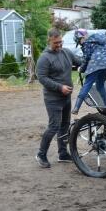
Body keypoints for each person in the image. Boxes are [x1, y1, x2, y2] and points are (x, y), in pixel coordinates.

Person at [35, 28, 82, 168]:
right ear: (49, 40)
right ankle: (41, 154)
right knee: (54, 126)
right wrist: (59, 87)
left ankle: (63, 153)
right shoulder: (44, 58)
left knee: (65, 125)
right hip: (53, 98)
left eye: (61, 41)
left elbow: (79, 62)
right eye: (56, 43)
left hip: (66, 97)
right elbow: (42, 78)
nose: (59, 45)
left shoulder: (66, 52)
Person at [71, 30, 106, 115]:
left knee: (86, 85)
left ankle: (76, 107)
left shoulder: (86, 43)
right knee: (100, 85)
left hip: (96, 66)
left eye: (79, 41)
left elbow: (86, 58)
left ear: (82, 38)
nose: (80, 43)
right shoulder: (99, 41)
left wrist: (81, 69)